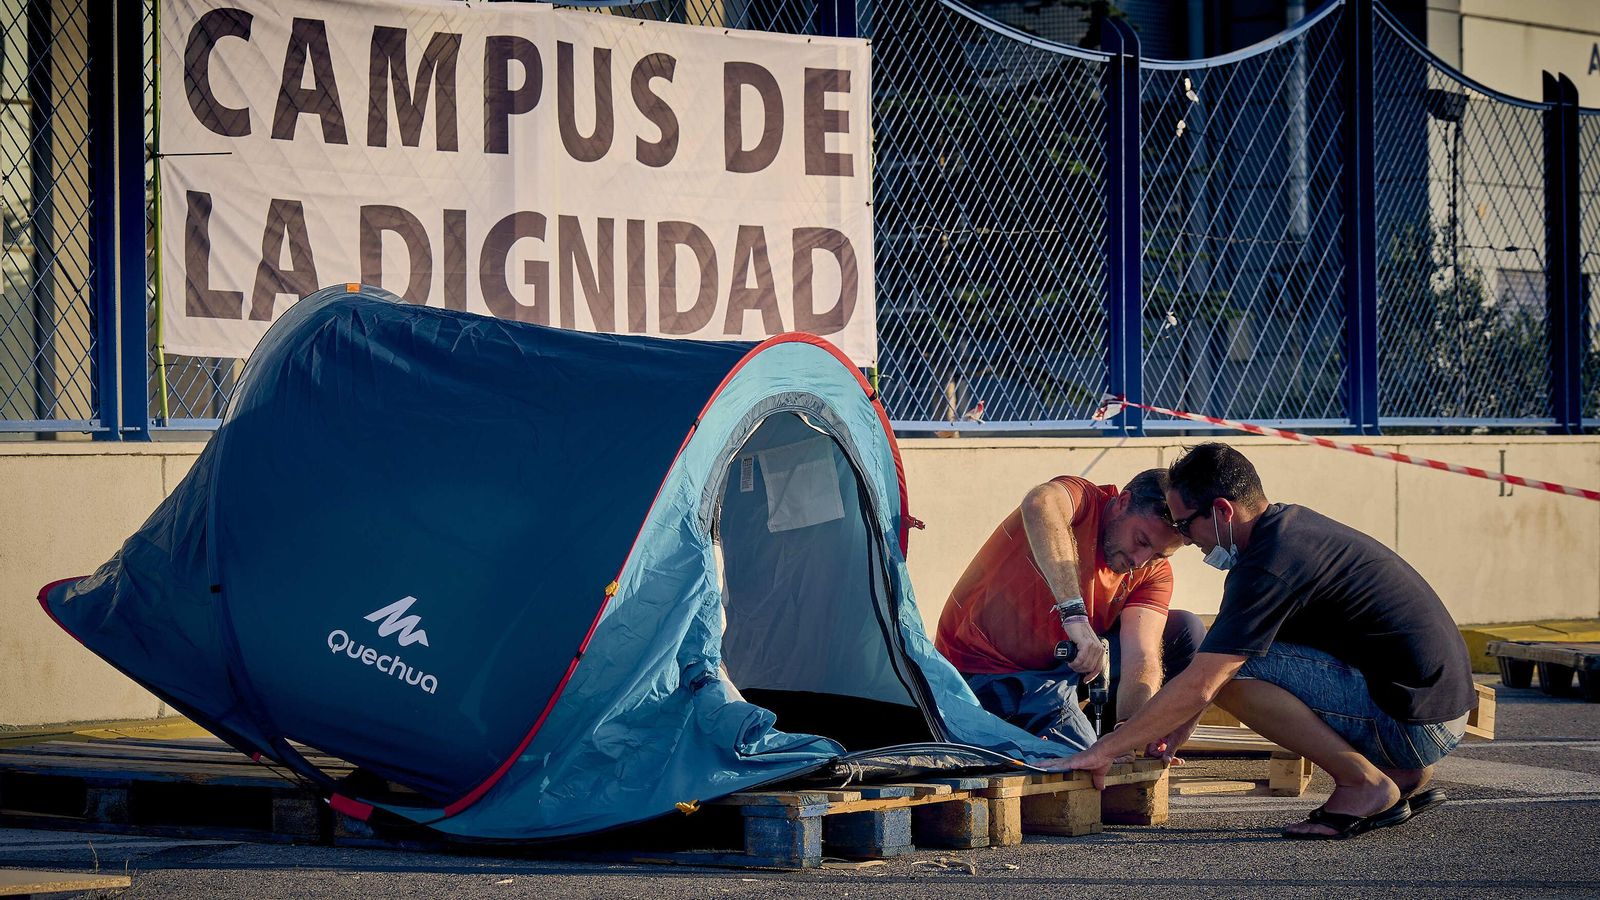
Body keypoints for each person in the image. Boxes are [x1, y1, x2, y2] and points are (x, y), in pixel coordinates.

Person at [1052, 443, 1476, 839]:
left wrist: (1103, 750)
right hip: (1438, 711)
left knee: (1231, 675)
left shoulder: (1268, 566)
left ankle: (1361, 782)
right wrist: (1179, 727)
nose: (1187, 540)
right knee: (1230, 661)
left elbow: (1207, 680)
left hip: (1415, 726)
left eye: (1184, 524)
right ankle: (1401, 773)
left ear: (1222, 511)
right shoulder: (1291, 531)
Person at [935, 468, 1202, 748]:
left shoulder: (1152, 571)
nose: (1140, 561)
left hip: (1060, 668)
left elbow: (1141, 656)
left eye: (1158, 555)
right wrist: (1074, 614)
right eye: (1141, 541)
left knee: (1185, 630)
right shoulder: (1083, 502)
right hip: (982, 673)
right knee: (1078, 758)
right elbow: (1039, 502)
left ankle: (1110, 736)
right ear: (1122, 502)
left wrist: (1130, 732)